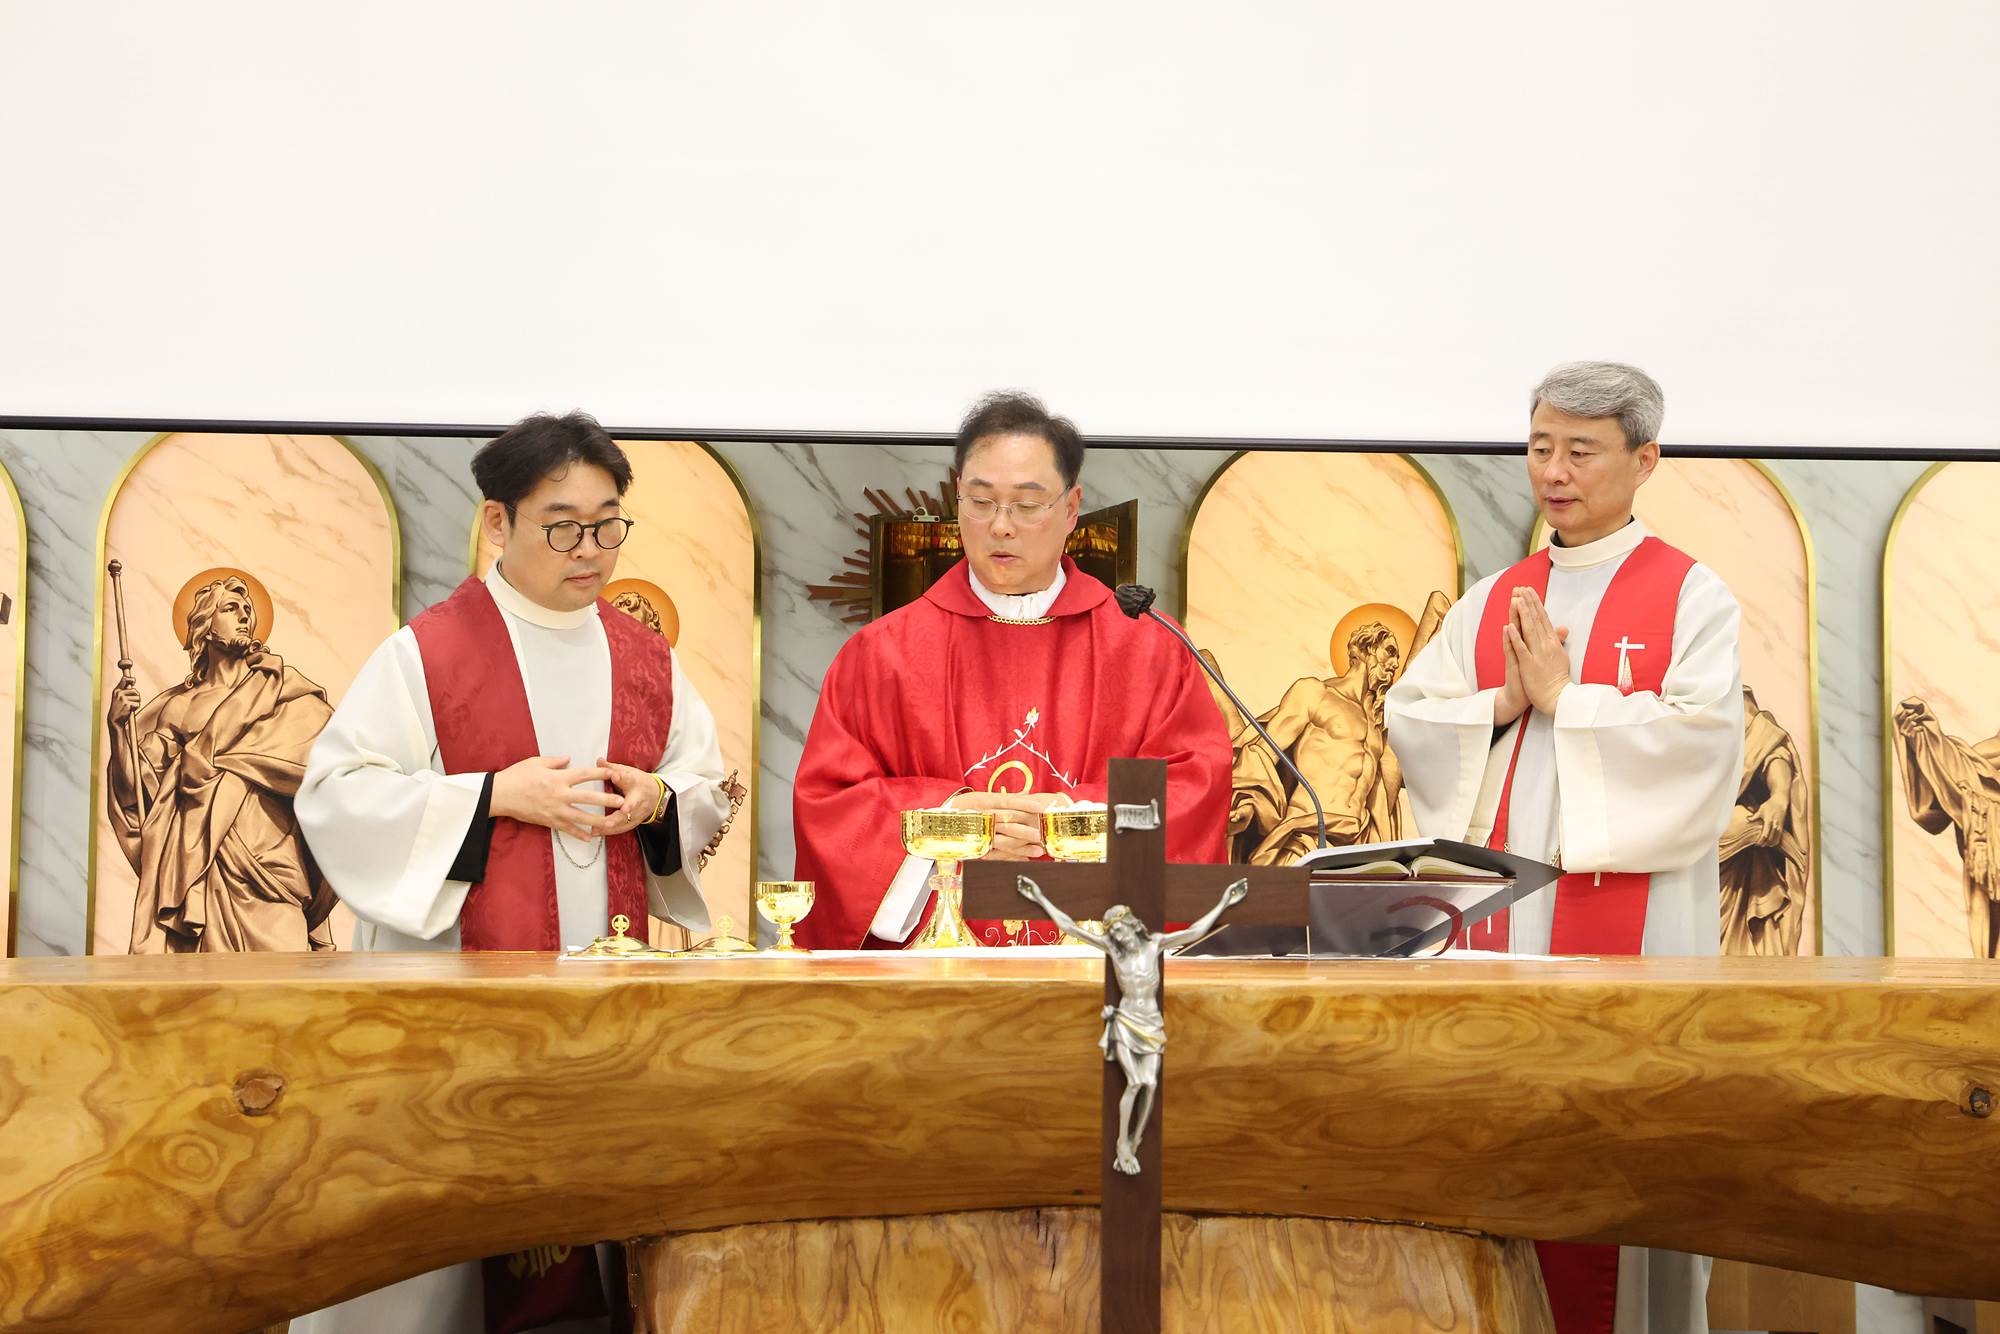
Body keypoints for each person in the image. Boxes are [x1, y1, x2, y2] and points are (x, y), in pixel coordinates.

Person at [294, 411, 735, 1334]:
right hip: (456, 1008)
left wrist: (656, 799)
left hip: (601, 1007)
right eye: (563, 528)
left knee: (593, 1210)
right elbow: (335, 796)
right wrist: (493, 795)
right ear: (498, 522)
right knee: (446, 1247)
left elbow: (703, 784)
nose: (592, 552)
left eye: (608, 525)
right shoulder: (429, 652)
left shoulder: (645, 657)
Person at [1386, 362, 1743, 1334]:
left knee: (1622, 1142)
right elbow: (1413, 716)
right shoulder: (1496, 596)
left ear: (1644, 459)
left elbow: (1704, 748)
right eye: (1540, 446)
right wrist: (1501, 702)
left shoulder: (1690, 595)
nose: (1553, 470)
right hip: (1510, 921)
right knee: (1507, 1135)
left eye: (1580, 451)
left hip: (1630, 921)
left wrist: (1565, 701)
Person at [791, 391, 1232, 949]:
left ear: (1071, 508)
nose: (1001, 526)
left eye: (1027, 504)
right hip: (934, 976)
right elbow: (830, 804)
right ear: (957, 500)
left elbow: (1194, 783)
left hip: (1099, 967)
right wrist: (953, 818)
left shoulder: (1148, 648)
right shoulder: (882, 655)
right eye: (981, 501)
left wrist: (1072, 816)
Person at [106, 573, 337, 952]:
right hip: (204, 872)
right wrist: (118, 729)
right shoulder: (180, 708)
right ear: (205, 627)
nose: (245, 616)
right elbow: (136, 795)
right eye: (231, 609)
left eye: (247, 609)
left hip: (273, 871)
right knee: (207, 987)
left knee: (287, 978)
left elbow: (334, 771)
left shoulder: (283, 692)